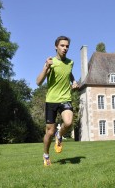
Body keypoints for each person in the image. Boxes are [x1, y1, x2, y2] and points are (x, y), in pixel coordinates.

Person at [36, 36, 79, 166]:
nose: (65, 48)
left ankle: (59, 136)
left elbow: (68, 72)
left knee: (68, 122)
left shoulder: (70, 62)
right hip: (51, 100)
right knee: (49, 132)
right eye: (62, 45)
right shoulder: (51, 62)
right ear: (56, 46)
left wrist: (74, 81)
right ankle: (46, 155)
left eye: (67, 46)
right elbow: (38, 82)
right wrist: (46, 67)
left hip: (65, 98)